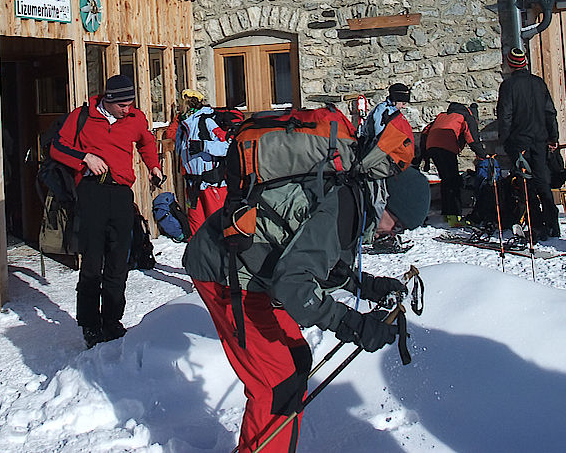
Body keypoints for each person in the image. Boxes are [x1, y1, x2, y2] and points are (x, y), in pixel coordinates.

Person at [184, 165, 431, 453]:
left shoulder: (353, 197)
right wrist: (352, 323)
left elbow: (313, 255)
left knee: (297, 360)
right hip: (224, 273)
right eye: (397, 225)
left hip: (253, 270)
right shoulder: (343, 208)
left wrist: (367, 286)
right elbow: (295, 288)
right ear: (386, 202)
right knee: (277, 386)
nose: (392, 233)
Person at [50, 74, 163, 348]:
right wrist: (84, 157)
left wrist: (154, 166)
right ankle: (90, 325)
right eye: (123, 104)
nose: (128, 109)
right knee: (91, 262)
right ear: (108, 100)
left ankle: (112, 320)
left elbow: (146, 143)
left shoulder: (135, 118)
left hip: (122, 194)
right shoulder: (82, 116)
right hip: (91, 192)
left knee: (118, 261)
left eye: (131, 103)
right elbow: (57, 148)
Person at [496, 47, 561, 241]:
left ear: (510, 65)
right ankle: (552, 222)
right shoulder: (538, 83)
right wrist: (553, 137)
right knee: (542, 180)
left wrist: (506, 140)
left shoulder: (508, 86)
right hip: (539, 140)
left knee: (525, 183)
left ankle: (537, 224)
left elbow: (505, 115)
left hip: (519, 141)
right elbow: (550, 112)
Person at [174, 89, 236, 236]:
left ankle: (222, 257)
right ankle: (198, 257)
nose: (178, 106)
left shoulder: (207, 121)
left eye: (180, 103)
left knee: (218, 228)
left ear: (188, 103)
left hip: (212, 184)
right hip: (193, 185)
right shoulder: (182, 126)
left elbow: (228, 146)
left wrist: (204, 146)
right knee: (196, 230)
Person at [420, 102, 486, 227]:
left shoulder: (443, 116)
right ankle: (454, 217)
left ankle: (447, 215)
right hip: (446, 148)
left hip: (432, 147)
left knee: (446, 180)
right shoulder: (466, 116)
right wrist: (483, 155)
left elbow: (425, 132)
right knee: (453, 182)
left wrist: (425, 157)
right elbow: (472, 138)